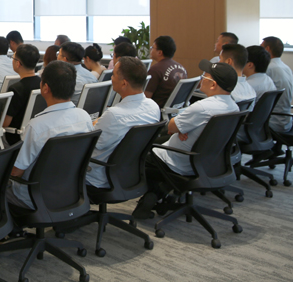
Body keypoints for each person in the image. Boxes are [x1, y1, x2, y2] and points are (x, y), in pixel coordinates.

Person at [133, 60, 239, 219]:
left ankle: (152, 196)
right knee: (160, 141)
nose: (202, 77)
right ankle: (158, 194)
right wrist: (184, 128)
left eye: (205, 76)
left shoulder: (202, 107)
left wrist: (180, 127)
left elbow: (171, 126)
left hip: (180, 161)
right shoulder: (233, 106)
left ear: (213, 85)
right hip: (207, 161)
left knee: (138, 153)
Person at [7, 60, 94, 209]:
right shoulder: (84, 117)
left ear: (45, 88)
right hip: (69, 191)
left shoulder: (37, 126)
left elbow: (16, 173)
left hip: (33, 196)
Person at [85, 57, 160, 189]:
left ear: (124, 83)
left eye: (113, 75)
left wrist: (94, 122)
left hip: (98, 177)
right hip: (127, 174)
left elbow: (89, 143)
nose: (111, 78)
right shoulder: (153, 107)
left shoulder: (114, 115)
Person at [3, 44, 41, 141]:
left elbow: (5, 123)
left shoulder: (16, 89)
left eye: (13, 58)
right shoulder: (43, 84)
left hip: (16, 138)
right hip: (37, 134)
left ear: (18, 63)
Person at [145, 35, 187, 108]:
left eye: (153, 47)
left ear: (160, 52)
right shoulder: (182, 68)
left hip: (157, 110)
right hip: (174, 110)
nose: (151, 49)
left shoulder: (155, 70)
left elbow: (146, 98)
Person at [261, 37, 293, 134]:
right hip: (286, 120)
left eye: (261, 47)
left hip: (272, 121)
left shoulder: (268, 68)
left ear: (267, 49)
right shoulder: (286, 67)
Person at [219, 43, 256, 108]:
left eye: (220, 59)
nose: (218, 62)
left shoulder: (225, 91)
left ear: (229, 62)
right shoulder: (251, 90)